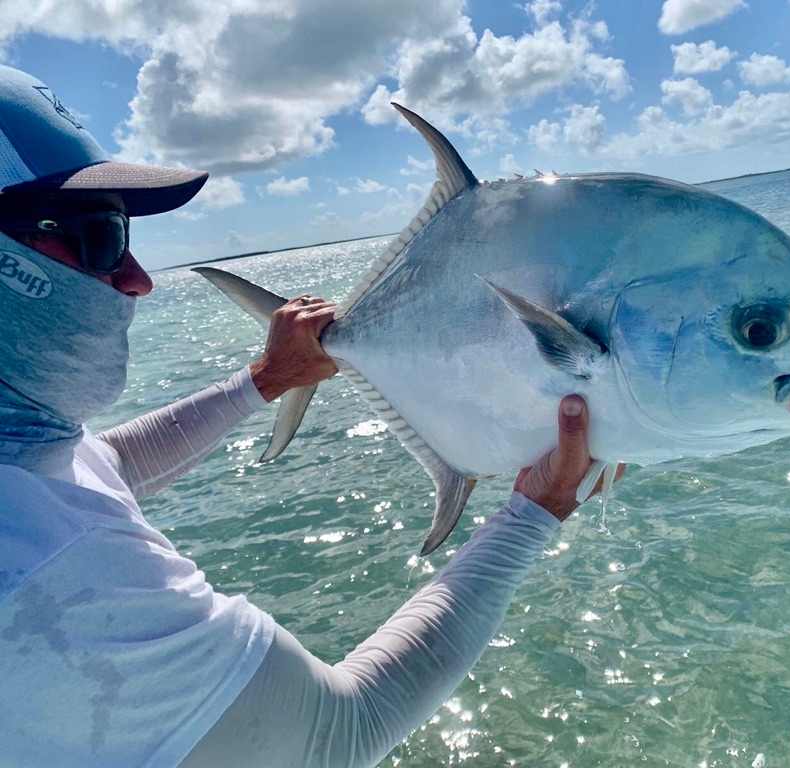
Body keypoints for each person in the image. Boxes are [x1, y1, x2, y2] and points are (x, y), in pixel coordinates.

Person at [0, 65, 619, 767]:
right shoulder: (47, 589)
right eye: (97, 235)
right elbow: (337, 734)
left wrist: (263, 381)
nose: (138, 278)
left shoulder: (22, 471)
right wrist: (536, 511)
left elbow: (97, 467)